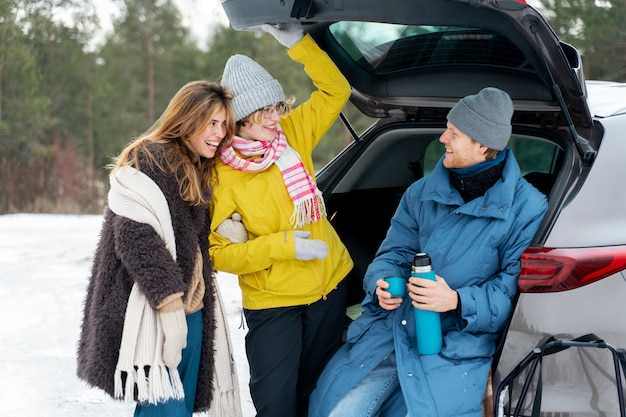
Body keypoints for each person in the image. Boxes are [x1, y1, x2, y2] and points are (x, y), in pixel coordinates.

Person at [308, 87, 549, 417]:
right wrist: (383, 282)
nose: (442, 139)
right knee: (337, 411)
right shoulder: (421, 193)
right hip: (391, 329)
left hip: (454, 343)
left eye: (453, 133)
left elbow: (511, 296)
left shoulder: (527, 208)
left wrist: (456, 300)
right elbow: (392, 253)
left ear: (482, 145)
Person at [209, 23, 353, 417]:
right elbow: (217, 254)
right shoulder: (222, 175)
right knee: (275, 404)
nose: (276, 117)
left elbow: (336, 91)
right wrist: (284, 246)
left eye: (278, 106)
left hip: (329, 286)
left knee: (319, 397)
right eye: (264, 112)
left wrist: (300, 45)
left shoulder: (292, 133)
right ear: (240, 118)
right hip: (274, 304)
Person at [77, 81, 242, 417]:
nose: (219, 133)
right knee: (165, 408)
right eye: (211, 122)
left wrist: (223, 226)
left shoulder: (196, 167)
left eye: (223, 124)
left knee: (174, 407)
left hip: (192, 309)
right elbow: (136, 240)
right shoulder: (151, 160)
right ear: (187, 118)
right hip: (157, 308)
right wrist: (169, 308)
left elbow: (187, 236)